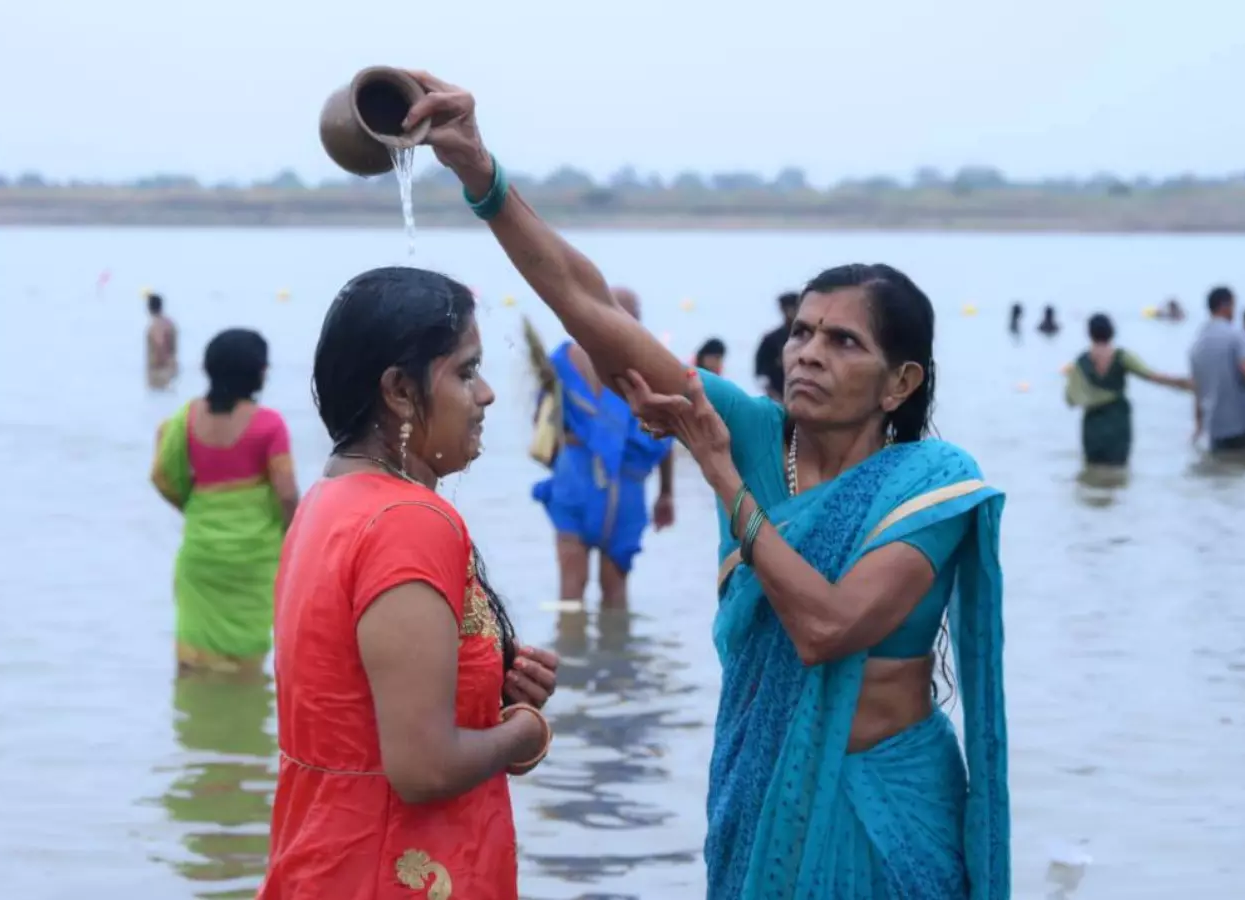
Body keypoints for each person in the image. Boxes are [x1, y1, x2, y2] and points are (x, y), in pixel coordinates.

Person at [402, 71, 1009, 898]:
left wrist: (720, 474)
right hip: (761, 798)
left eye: (842, 342)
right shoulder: (752, 430)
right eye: (800, 332)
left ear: (900, 383)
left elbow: (827, 630)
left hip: (886, 808)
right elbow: (588, 305)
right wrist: (482, 176)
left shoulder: (931, 482)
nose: (807, 354)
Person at [259, 267, 560, 900]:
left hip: (324, 856)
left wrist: (489, 693)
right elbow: (423, 767)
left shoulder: (329, 499)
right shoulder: (410, 521)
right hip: (394, 868)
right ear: (399, 389)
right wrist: (524, 731)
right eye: (466, 372)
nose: (486, 397)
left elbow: (357, 707)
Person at [150, 329, 298, 673]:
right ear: (259, 371)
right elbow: (287, 493)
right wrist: (293, 539)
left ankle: (192, 722)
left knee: (192, 663)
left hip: (201, 553)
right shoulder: (269, 425)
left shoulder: (187, 418)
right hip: (254, 557)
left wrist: (193, 507)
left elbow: (163, 474)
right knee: (247, 663)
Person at [535, 287, 675, 609]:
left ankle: (571, 658)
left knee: (570, 592)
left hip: (574, 480)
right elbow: (665, 435)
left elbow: (541, 427)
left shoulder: (560, 362)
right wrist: (666, 493)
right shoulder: (648, 369)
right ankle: (614, 658)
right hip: (624, 490)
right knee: (615, 596)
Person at [1064, 314, 1190, 466]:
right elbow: (1151, 376)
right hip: (1118, 421)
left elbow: (1071, 398)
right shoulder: (1122, 357)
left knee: (1093, 468)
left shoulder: (1081, 362)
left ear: (1089, 334)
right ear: (1112, 331)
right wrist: (1184, 384)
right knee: (1118, 468)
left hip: (1093, 424)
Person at [1189, 286, 1245, 451]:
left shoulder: (1197, 343)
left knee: (1223, 471)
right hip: (1243, 423)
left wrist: (1198, 425)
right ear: (1225, 306)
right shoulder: (1236, 334)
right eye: (1233, 306)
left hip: (1214, 427)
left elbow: (1196, 388)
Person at [754, 291, 800, 402]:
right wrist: (771, 393)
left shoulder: (810, 338)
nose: (789, 313)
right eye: (786, 309)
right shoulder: (770, 340)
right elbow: (761, 372)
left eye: (792, 308)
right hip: (776, 397)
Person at [146, 292, 179, 390]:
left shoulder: (156, 326)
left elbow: (160, 347)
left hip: (159, 375)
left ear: (149, 308)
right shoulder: (169, 323)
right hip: (171, 371)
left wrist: (158, 373)